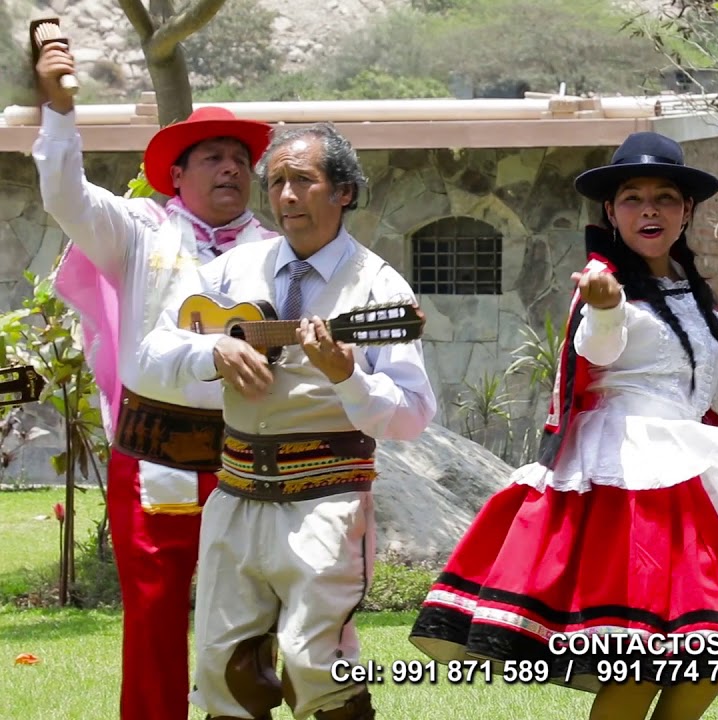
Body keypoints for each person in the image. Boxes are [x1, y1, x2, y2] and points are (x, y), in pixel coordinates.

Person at [409, 131, 718, 719]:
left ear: (686, 211)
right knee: (640, 664)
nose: (649, 209)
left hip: (687, 486)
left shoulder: (700, 302)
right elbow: (595, 352)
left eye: (665, 197)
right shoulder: (604, 283)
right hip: (626, 485)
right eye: (633, 198)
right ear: (611, 211)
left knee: (713, 661)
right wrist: (605, 308)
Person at [135, 122, 436, 720]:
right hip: (236, 493)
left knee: (315, 667)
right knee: (226, 672)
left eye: (303, 180)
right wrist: (214, 351)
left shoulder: (378, 287)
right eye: (276, 183)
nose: (286, 196)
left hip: (327, 499)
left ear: (344, 191)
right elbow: (150, 355)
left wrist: (348, 377)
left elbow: (412, 415)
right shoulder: (231, 271)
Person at [32, 38, 274, 720]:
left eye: (240, 159)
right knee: (154, 617)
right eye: (214, 157)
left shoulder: (277, 251)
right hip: (153, 453)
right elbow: (65, 197)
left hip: (249, 455)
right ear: (177, 173)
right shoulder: (138, 231)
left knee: (248, 620)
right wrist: (59, 112)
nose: (231, 168)